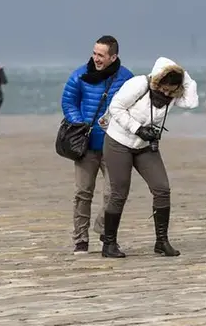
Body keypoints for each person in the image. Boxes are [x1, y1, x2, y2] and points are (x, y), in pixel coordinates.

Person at [100, 56, 199, 258]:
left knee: (162, 188)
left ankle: (161, 242)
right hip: (119, 141)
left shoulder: (173, 94)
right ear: (157, 80)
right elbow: (115, 107)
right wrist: (137, 128)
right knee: (119, 193)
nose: (165, 93)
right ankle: (109, 244)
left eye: (171, 90)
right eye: (163, 88)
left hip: (144, 147)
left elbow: (192, 102)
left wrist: (183, 75)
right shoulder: (139, 84)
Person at [60, 36, 134, 254]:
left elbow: (135, 105)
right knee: (83, 193)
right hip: (86, 145)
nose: (96, 58)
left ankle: (106, 234)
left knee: (114, 194)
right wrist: (78, 122)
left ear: (113, 57)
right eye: (94, 53)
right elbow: (68, 102)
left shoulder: (126, 78)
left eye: (101, 55)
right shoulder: (80, 75)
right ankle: (80, 239)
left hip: (115, 145)